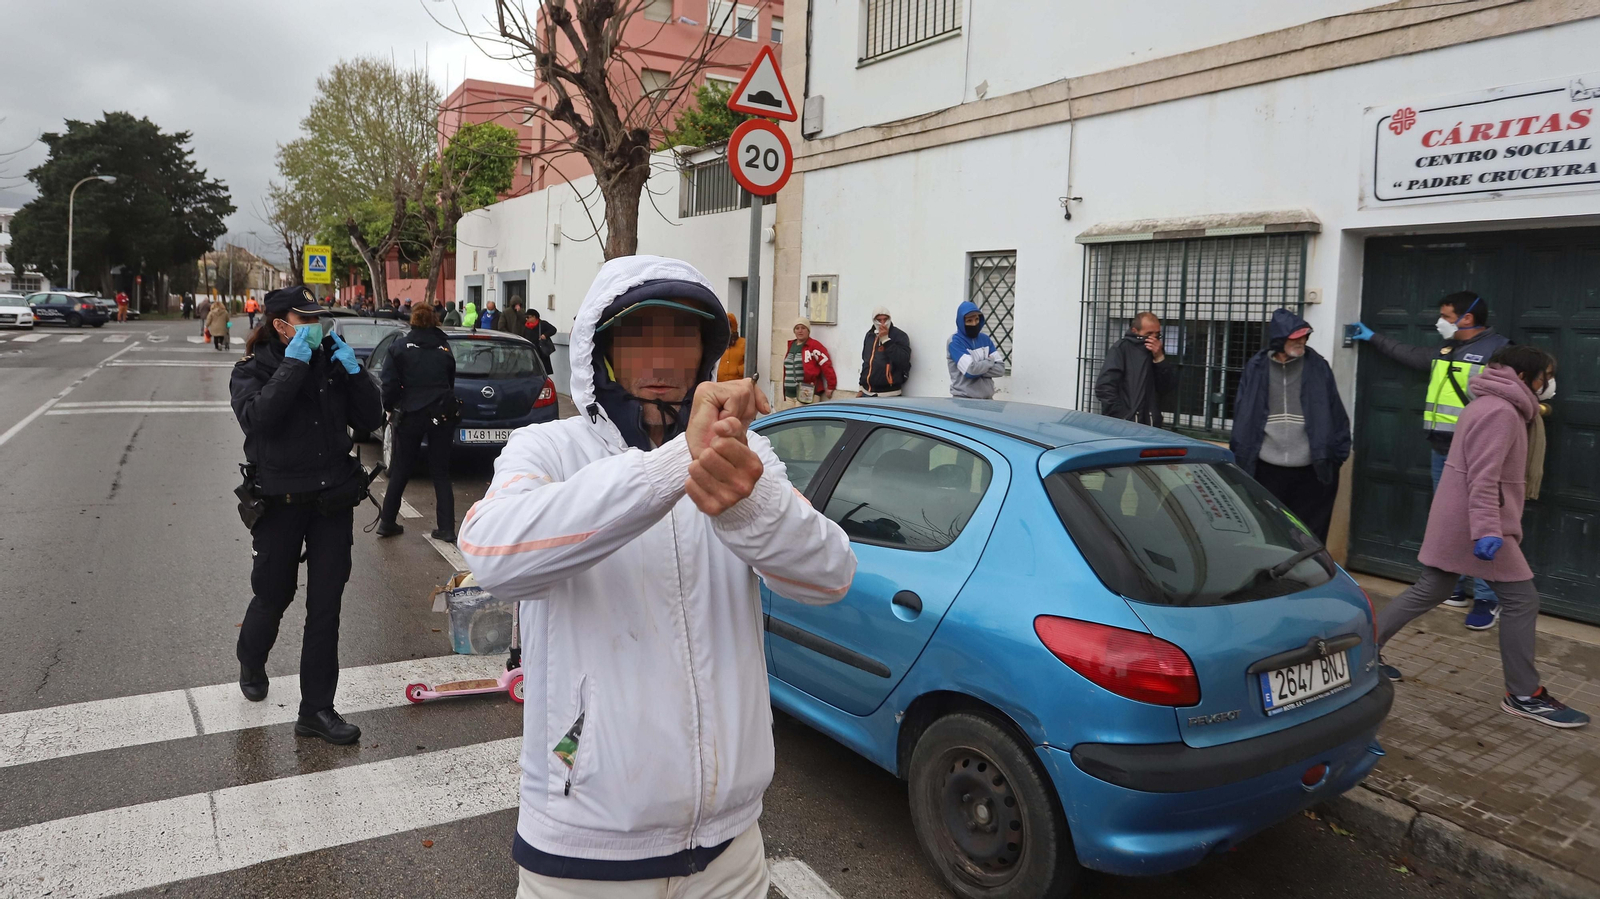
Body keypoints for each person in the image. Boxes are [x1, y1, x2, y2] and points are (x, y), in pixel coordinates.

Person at [459, 256, 856, 899]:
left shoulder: (747, 456)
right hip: (583, 851)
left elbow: (831, 574)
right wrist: (676, 463)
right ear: (605, 349)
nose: (662, 357)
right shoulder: (549, 448)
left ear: (705, 351)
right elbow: (493, 553)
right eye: (640, 335)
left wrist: (749, 505)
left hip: (732, 848)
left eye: (681, 334)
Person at [1375, 346, 1586, 729]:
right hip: (1478, 525)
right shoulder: (1502, 413)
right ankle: (1524, 694)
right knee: (1523, 600)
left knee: (1433, 588)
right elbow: (1484, 478)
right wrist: (1489, 529)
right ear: (1525, 377)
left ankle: (1361, 653)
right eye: (1546, 376)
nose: (1549, 384)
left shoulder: (1487, 401)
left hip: (1460, 519)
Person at [229, 286, 384, 745]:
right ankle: (251, 657)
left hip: (331, 502)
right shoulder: (251, 371)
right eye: (307, 319)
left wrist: (355, 374)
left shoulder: (331, 364)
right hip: (280, 504)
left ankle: (316, 709)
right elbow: (259, 419)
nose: (318, 327)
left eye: (321, 319)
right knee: (273, 595)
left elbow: (371, 416)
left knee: (326, 609)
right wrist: (294, 364)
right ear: (280, 325)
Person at [1350, 291, 1512, 628]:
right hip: (1442, 451)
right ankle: (1453, 585)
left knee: (1481, 521)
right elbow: (1411, 355)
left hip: (1477, 452)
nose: (1439, 320)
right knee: (1448, 520)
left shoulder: (1499, 350)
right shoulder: (1448, 348)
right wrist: (1372, 337)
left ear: (1466, 318)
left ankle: (1486, 598)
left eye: (1445, 314)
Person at [1230, 309, 1351, 542]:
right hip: (1267, 468)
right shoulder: (1256, 367)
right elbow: (1243, 412)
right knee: (1271, 532)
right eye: (1296, 337)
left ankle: (1310, 578)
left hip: (1312, 467)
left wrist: (1337, 454)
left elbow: (1335, 411)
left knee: (1309, 535)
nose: (1302, 341)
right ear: (1279, 339)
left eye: (1304, 336)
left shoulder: (1317, 366)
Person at [376, 304, 458, 542]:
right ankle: (446, 528)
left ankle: (387, 522)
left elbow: (388, 383)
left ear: (412, 321)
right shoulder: (444, 347)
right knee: (441, 472)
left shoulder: (399, 347)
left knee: (401, 469)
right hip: (441, 413)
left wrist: (391, 407)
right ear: (434, 321)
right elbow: (450, 380)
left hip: (411, 413)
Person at [1094, 311, 1178, 427]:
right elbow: (1104, 387)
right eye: (1149, 334)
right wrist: (1120, 415)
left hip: (1151, 422)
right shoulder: (1121, 349)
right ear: (1135, 331)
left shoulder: (1156, 350)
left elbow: (1166, 387)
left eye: (1157, 334)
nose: (1153, 338)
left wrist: (1159, 358)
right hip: (1124, 422)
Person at [947, 301, 1005, 399]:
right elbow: (970, 371)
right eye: (969, 321)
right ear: (961, 322)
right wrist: (989, 361)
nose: (974, 324)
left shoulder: (985, 339)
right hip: (964, 401)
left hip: (987, 400)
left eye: (977, 319)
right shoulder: (954, 342)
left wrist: (977, 367)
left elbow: (1000, 369)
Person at [858, 306, 911, 397]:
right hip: (867, 393)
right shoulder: (870, 335)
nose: (882, 323)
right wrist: (861, 388)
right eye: (879, 320)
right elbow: (866, 362)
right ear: (874, 320)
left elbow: (903, 360)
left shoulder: (899, 335)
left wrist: (886, 340)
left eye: (885, 319)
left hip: (889, 394)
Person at [783, 319, 837, 404]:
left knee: (801, 417)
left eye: (803, 328)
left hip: (807, 392)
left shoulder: (814, 345)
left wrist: (831, 385)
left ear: (808, 330)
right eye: (797, 328)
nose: (800, 331)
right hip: (789, 394)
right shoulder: (791, 345)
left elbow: (826, 364)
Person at [524, 308, 558, 376]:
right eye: (526, 317)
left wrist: (545, 335)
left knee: (543, 371)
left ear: (534, 317)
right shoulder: (526, 326)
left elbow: (553, 329)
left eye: (528, 317)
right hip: (531, 352)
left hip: (541, 351)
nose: (527, 319)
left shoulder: (542, 324)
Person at [718, 312, 747, 381]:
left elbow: (750, 363)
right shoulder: (718, 343)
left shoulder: (743, 343)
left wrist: (738, 370)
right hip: (720, 384)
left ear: (733, 328)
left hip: (737, 384)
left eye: (729, 326)